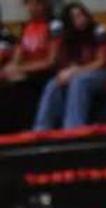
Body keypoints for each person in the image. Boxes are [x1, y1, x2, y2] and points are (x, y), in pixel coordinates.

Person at [33, 2, 106, 131]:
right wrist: (66, 73)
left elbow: (101, 62)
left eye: (81, 15)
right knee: (54, 82)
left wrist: (76, 71)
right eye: (75, 17)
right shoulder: (68, 37)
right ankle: (41, 127)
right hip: (83, 73)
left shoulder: (99, 31)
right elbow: (65, 62)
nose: (80, 20)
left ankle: (73, 126)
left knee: (79, 81)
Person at [0, 0, 59, 132]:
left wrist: (21, 69)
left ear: (44, 5)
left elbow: (51, 61)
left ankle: (26, 128)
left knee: (19, 86)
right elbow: (19, 52)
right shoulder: (27, 26)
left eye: (37, 4)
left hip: (46, 73)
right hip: (28, 72)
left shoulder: (54, 26)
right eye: (30, 4)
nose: (32, 8)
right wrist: (10, 68)